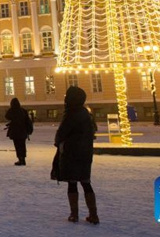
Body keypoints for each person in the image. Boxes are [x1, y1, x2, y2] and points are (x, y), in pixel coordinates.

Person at [52, 87, 98, 225]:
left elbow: (62, 132)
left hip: (71, 152)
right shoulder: (86, 113)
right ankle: (93, 214)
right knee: (86, 182)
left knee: (72, 183)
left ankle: (74, 214)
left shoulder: (71, 113)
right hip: (85, 153)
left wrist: (59, 142)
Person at [5, 98, 32, 166]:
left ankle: (20, 159)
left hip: (15, 132)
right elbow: (27, 120)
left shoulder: (12, 110)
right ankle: (23, 159)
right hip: (23, 131)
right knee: (23, 145)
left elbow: (7, 116)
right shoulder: (23, 110)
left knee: (17, 146)